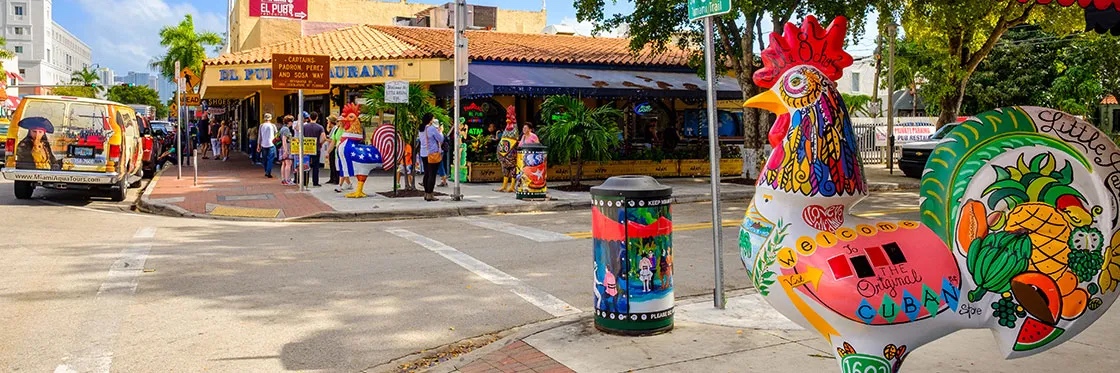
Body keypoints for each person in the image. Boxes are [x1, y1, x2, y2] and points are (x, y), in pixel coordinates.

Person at [418, 113, 444, 201]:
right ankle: (430, 194)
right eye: (433, 119)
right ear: (430, 120)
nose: (433, 120)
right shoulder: (432, 129)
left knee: (426, 173)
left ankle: (426, 193)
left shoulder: (421, 129)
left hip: (423, 153)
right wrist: (441, 132)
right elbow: (440, 139)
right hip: (432, 153)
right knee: (432, 174)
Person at [301, 111, 327, 187]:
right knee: (316, 166)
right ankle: (315, 182)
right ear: (317, 118)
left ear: (309, 118)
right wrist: (320, 143)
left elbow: (301, 135)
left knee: (306, 165)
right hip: (316, 148)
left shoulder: (305, 127)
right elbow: (324, 137)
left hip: (306, 148)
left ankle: (305, 181)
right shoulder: (320, 127)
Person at [257, 113, 278, 178]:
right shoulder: (273, 125)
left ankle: (266, 170)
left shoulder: (261, 125)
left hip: (263, 144)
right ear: (270, 118)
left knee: (264, 159)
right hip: (271, 144)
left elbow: (259, 136)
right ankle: (268, 172)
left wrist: (258, 145)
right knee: (270, 159)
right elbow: (276, 134)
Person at [325, 115, 342, 184]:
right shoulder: (336, 129)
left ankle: (336, 179)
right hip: (334, 147)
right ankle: (333, 178)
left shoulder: (336, 128)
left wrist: (326, 139)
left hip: (337, 148)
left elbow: (331, 139)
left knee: (335, 164)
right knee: (332, 163)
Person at [279, 115, 295, 185]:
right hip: (286, 147)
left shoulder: (282, 128)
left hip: (282, 147)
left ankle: (283, 179)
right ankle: (287, 179)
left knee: (284, 164)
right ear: (289, 122)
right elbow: (284, 140)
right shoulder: (286, 129)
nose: (292, 123)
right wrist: (286, 151)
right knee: (288, 164)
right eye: (292, 121)